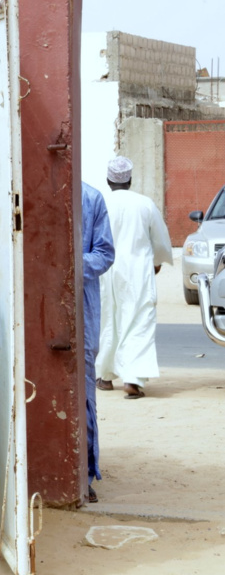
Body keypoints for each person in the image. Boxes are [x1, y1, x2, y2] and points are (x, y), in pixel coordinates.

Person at [96, 157, 172, 399]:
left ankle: (105, 376)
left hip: (105, 270)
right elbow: (159, 240)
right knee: (138, 320)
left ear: (108, 180)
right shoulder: (144, 204)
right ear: (130, 180)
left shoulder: (99, 202)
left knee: (108, 320)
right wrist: (157, 262)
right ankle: (133, 379)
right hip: (137, 270)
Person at [81, 182, 115, 502]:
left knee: (83, 394)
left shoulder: (91, 198)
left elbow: (105, 253)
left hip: (82, 314)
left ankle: (84, 474)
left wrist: (71, 266)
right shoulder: (30, 193)